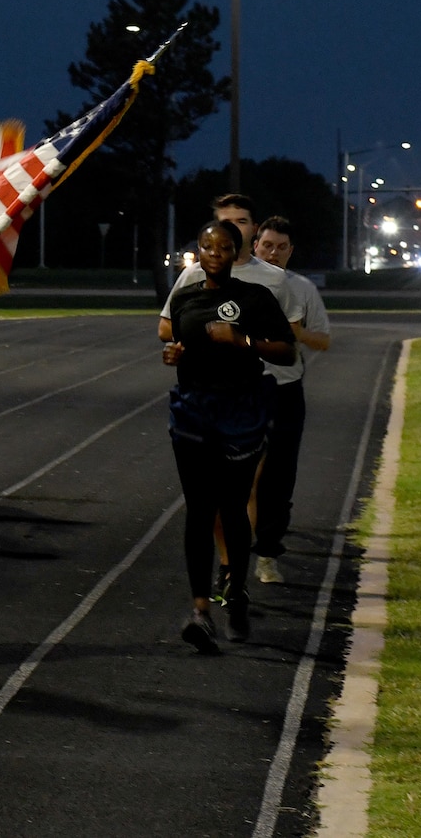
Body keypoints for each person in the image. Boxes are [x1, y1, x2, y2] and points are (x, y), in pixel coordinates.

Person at [159, 193, 305, 595]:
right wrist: (177, 350)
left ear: (247, 233)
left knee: (248, 491)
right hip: (195, 406)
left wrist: (242, 340)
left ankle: (245, 570)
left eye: (239, 225)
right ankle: (206, 600)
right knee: (201, 508)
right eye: (210, 242)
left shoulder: (271, 282)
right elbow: (169, 330)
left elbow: (288, 341)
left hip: (253, 399)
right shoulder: (188, 287)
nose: (218, 249)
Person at [248, 216, 331, 583]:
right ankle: (233, 551)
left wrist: (297, 334)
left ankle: (267, 553)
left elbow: (324, 340)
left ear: (291, 251)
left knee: (279, 475)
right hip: (241, 389)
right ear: (255, 246)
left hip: (285, 390)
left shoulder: (303, 289)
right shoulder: (237, 282)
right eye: (267, 245)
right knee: (240, 474)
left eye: (282, 247)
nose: (274, 253)